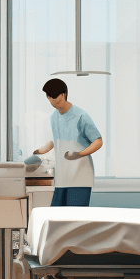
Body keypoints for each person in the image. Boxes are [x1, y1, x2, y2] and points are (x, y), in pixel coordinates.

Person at [30, 78, 103, 206]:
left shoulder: (81, 116)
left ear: (63, 94)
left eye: (54, 96)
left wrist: (79, 154)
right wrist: (42, 150)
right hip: (62, 177)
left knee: (73, 218)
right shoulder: (54, 117)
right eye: (49, 97)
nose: (52, 100)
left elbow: (98, 141)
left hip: (80, 176)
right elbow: (57, 139)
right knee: (56, 217)